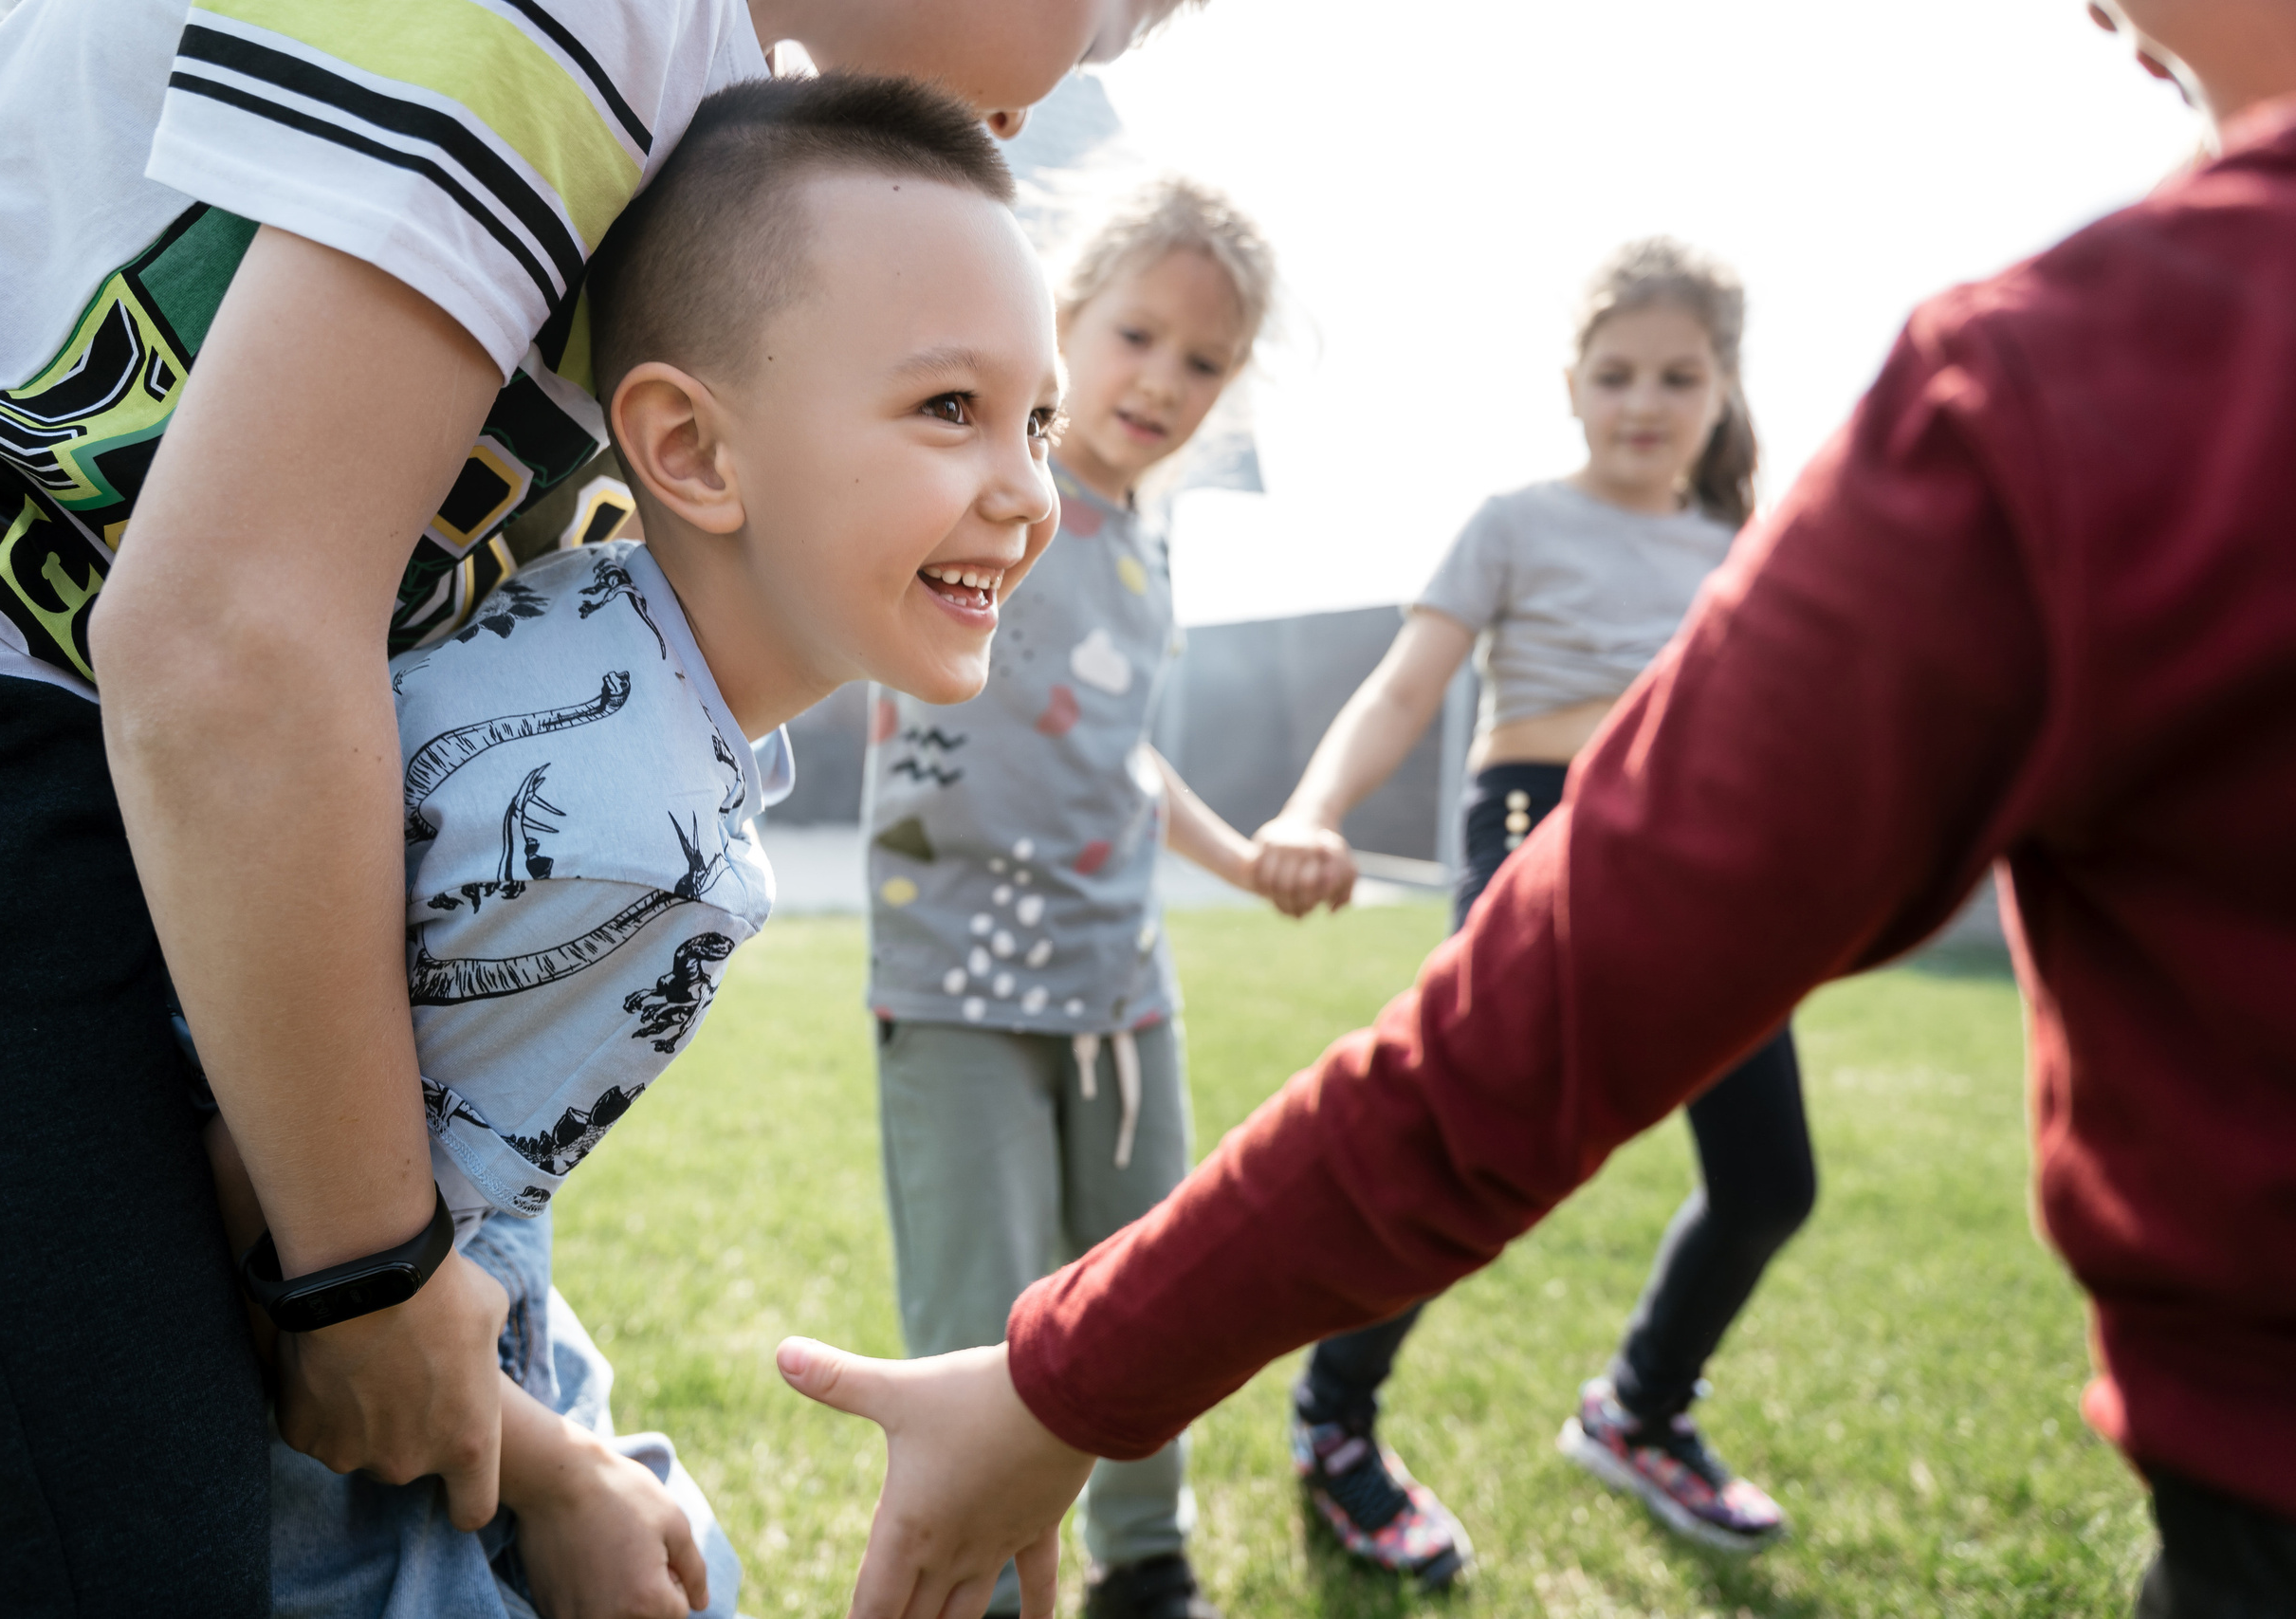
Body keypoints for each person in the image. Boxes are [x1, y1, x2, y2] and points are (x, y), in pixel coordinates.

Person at [776, 3, 2296, 1616]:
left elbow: (1157, 776)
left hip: (1135, 973)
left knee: (1744, 1170)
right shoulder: (1418, 519)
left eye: (1203, 359)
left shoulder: (2066, 386)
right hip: (1002, 971)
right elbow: (1405, 716)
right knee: (1020, 1259)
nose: (2099, 18)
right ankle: (1332, 1425)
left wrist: (1079, 1362)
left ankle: (1232, 1533)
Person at [0, 0, 1181, 1608]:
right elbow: (225, 639)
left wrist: (522, 1417)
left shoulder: (694, 110)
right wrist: (370, 1279)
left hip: (86, 755)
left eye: (1031, 421)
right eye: (1126, 12)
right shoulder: (611, 23)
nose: (1104, 62)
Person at [192, 73, 1062, 1617]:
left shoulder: (592, 613)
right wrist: (559, 1476)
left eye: (1035, 418)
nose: (1029, 491)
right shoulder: (634, 851)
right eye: (949, 408)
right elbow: (301, 1269)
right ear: (691, 449)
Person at [1251, 239, 1803, 1573]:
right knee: (1464, 1154)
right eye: (1616, 373)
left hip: (1701, 864)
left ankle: (1643, 1411)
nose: (1644, 401)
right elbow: (1401, 687)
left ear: (1724, 389)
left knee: (1768, 1180)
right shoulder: (1514, 521)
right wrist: (1312, 810)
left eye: (1678, 375)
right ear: (1572, 384)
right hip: (1532, 829)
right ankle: (1335, 1421)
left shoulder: (1747, 546)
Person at [860, 176, 1276, 1619]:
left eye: (1204, 360)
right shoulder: (986, 489)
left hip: (1122, 990)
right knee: (984, 1316)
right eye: (1136, 333)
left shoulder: (1153, 554)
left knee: (1146, 1302)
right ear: (1064, 320)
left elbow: (1121, 755)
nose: (1162, 379)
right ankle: (972, 1581)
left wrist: (1249, 859)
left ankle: (1144, 1565)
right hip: (953, 984)